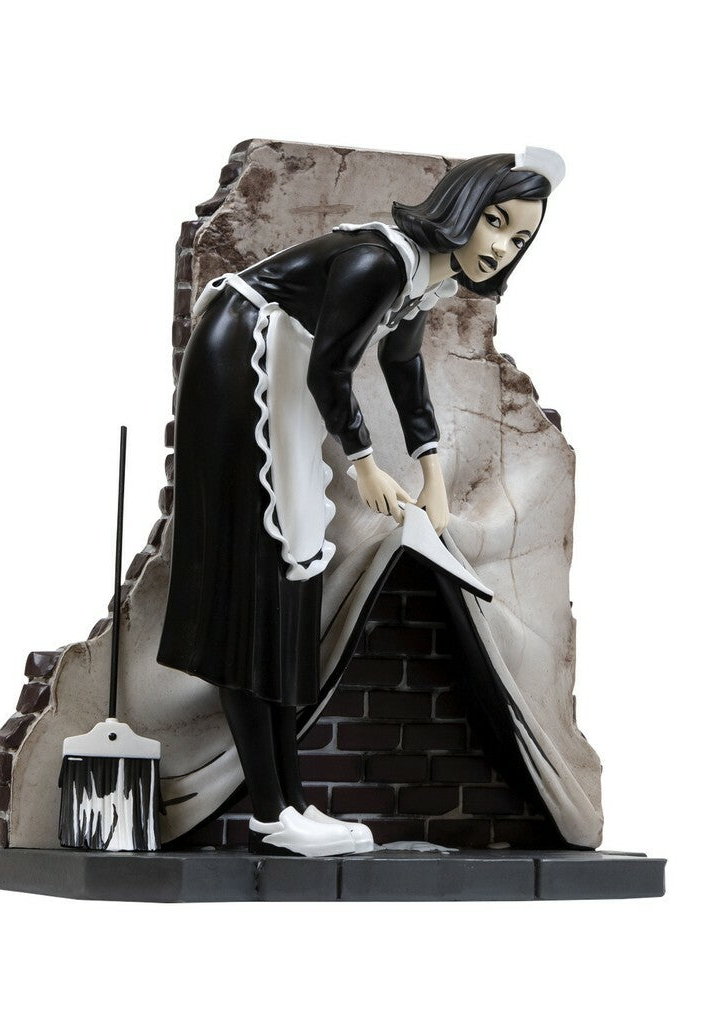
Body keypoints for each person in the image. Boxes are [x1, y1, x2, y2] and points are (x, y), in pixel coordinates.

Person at [157, 148, 564, 857]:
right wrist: (366, 467)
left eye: (519, 238)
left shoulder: (423, 280)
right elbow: (332, 367)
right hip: (242, 357)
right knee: (260, 570)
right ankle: (272, 811)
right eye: (495, 222)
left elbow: (402, 367)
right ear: (464, 207)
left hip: (281, 362)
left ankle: (287, 802)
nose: (501, 247)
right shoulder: (381, 261)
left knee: (293, 563)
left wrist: (432, 473)